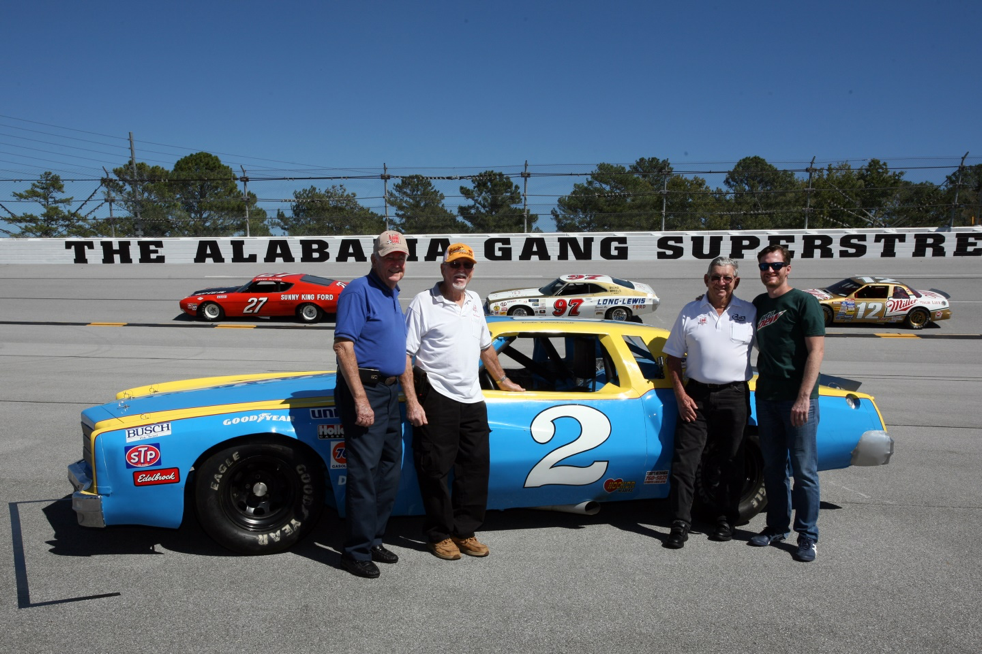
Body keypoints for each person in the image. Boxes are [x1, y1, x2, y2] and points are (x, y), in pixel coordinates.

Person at [400, 243, 524, 561]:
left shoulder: (472, 303)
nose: (461, 271)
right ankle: (439, 534)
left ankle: (464, 530)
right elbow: (405, 355)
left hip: (472, 397)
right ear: (443, 268)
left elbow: (486, 347)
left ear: (472, 270)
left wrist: (503, 380)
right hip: (436, 395)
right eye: (455, 265)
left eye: (467, 266)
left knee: (475, 467)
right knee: (435, 469)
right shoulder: (423, 303)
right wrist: (412, 401)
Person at [661, 257, 756, 549]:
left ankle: (726, 520)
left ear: (735, 281)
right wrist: (681, 395)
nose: (721, 283)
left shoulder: (751, 312)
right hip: (697, 396)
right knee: (684, 463)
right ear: (706, 280)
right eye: (716, 277)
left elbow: (774, 346)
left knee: (732, 460)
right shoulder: (690, 312)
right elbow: (673, 357)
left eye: (727, 278)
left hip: (735, 395)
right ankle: (679, 523)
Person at [332, 230, 410, 578]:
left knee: (389, 469)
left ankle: (374, 538)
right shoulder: (358, 291)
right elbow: (343, 347)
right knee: (364, 474)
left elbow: (400, 351)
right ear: (374, 259)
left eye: (401, 258)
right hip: (366, 391)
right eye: (390, 256)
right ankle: (355, 551)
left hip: (390, 393)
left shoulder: (391, 292)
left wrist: (408, 397)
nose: (396, 263)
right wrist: (362, 401)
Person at [749, 244, 825, 562]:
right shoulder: (759, 303)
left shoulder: (804, 302)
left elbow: (816, 352)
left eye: (776, 265)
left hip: (798, 401)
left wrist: (803, 398)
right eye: (765, 266)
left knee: (804, 471)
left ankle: (807, 536)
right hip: (766, 397)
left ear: (788, 268)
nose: (770, 271)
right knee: (773, 468)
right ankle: (777, 526)